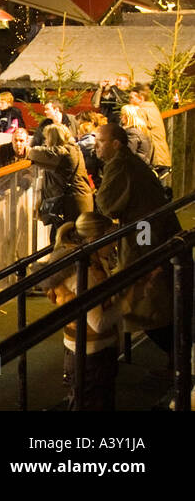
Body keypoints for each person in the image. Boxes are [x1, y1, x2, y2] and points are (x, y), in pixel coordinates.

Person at [93, 122, 180, 354]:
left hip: (143, 239)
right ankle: (179, 360)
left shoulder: (119, 166)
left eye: (100, 142)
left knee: (145, 304)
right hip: (153, 233)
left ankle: (180, 360)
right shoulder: (132, 163)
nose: (95, 147)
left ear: (115, 144)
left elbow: (107, 205)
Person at [44, 213, 122, 411]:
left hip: (88, 351)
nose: (114, 246)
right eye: (110, 240)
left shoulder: (93, 261)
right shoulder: (85, 272)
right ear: (94, 240)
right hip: (91, 355)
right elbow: (99, 322)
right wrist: (129, 303)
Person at [29, 122, 94, 236]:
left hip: (71, 204)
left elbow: (33, 153)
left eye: (47, 138)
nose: (45, 142)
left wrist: (28, 149)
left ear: (54, 138)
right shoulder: (73, 149)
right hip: (76, 200)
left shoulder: (63, 154)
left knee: (67, 238)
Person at [129, 87, 172, 177]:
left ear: (141, 98)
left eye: (132, 98)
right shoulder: (152, 107)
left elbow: (139, 132)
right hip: (162, 155)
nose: (129, 100)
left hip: (155, 157)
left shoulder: (141, 111)